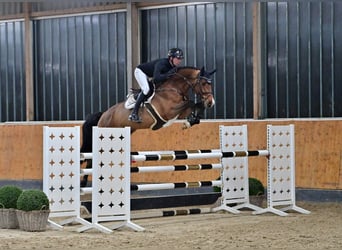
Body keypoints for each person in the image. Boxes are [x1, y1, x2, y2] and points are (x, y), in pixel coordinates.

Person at [128, 48, 184, 123]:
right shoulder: (162, 63)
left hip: (149, 75)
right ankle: (134, 114)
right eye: (178, 58)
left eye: (180, 59)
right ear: (171, 58)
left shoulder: (173, 67)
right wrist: (167, 75)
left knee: (151, 89)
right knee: (146, 89)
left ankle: (138, 95)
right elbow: (156, 78)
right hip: (140, 72)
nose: (179, 61)